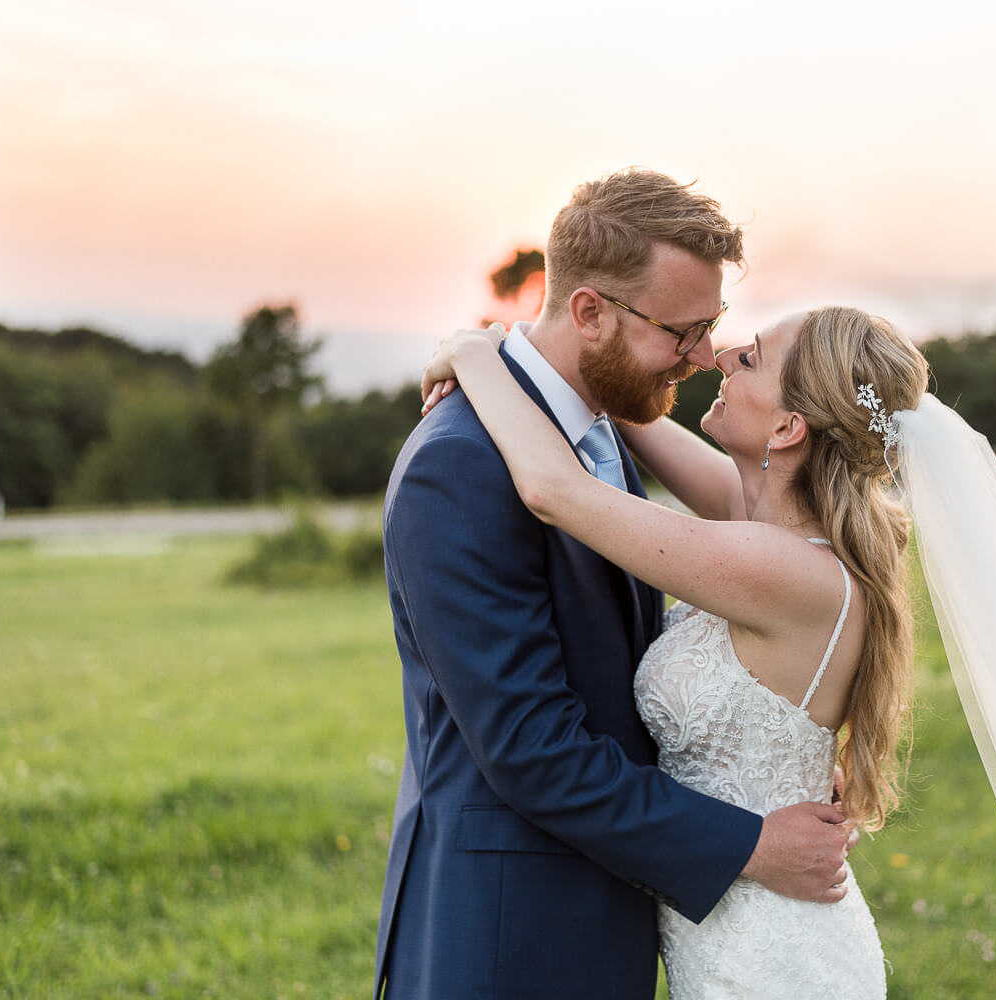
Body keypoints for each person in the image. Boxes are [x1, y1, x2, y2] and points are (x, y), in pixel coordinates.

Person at [423, 304, 996, 999]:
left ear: (788, 431)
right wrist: (569, 355)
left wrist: (475, 351)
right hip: (735, 928)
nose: (719, 356)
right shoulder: (771, 531)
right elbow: (626, 416)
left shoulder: (781, 572)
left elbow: (551, 487)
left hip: (771, 956)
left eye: (748, 358)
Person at [374, 170, 856, 1000]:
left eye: (716, 329)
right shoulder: (460, 465)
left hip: (622, 916)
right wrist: (749, 841)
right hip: (507, 935)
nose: (706, 355)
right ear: (591, 310)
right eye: (684, 329)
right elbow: (531, 750)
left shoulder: (596, 435)